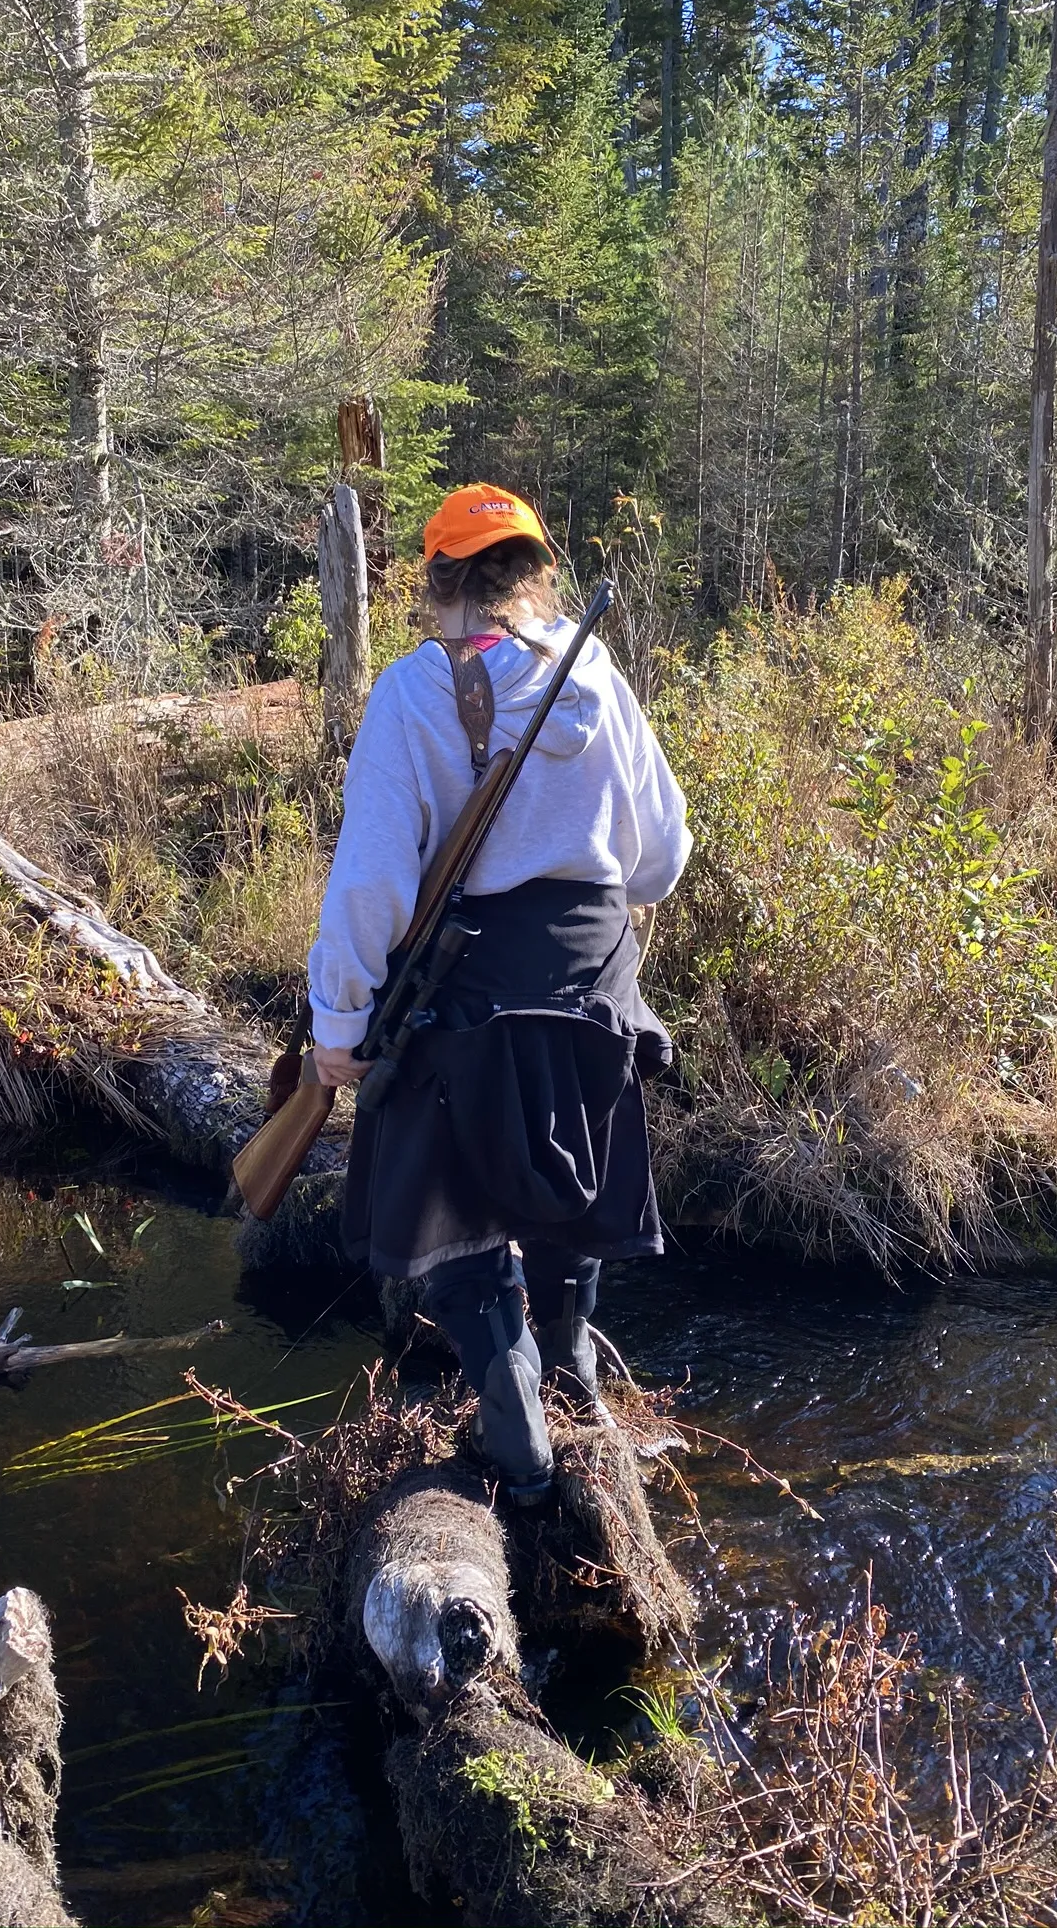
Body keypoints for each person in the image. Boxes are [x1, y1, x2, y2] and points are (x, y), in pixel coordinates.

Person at [306, 482, 692, 1504]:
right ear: (535, 575)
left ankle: (518, 1419)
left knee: (457, 1205)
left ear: (439, 583)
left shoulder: (414, 690)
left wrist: (337, 1023)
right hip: (596, 979)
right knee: (572, 1182)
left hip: (468, 987)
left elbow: (375, 880)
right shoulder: (596, 673)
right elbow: (659, 857)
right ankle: (576, 1376)